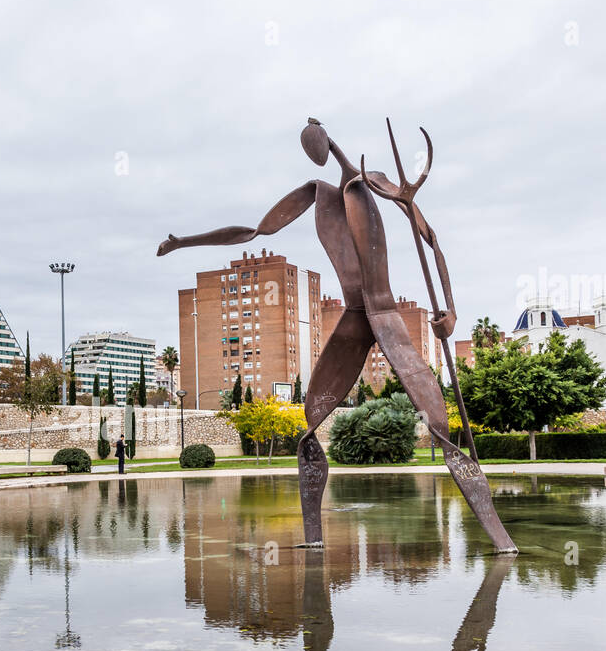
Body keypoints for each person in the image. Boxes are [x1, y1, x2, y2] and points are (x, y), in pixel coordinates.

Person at [157, 117, 516, 553]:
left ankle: (499, 537)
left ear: (326, 141)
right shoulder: (318, 193)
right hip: (352, 318)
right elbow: (254, 230)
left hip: (385, 315)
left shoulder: (376, 181)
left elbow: (431, 238)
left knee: (439, 428)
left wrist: (451, 309)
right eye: (310, 150)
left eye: (316, 147)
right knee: (309, 430)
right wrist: (185, 242)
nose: (315, 156)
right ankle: (314, 539)